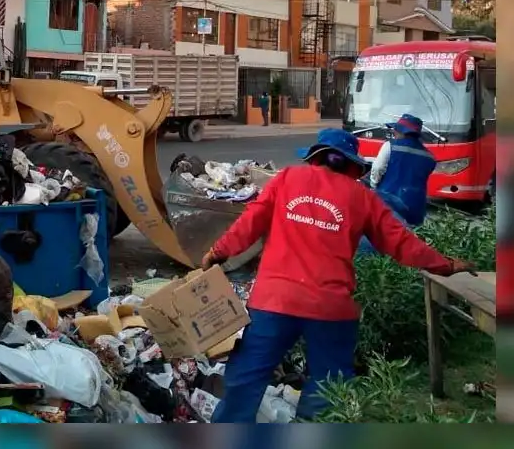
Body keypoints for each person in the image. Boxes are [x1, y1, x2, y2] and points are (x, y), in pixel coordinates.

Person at [201, 128, 473, 423]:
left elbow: (250, 223)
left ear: (316, 156)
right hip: (330, 308)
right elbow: (401, 242)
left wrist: (218, 252)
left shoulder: (287, 179)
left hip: (273, 302)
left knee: (246, 377)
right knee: (328, 385)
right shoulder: (362, 197)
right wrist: (444, 264)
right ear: (351, 164)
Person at [369, 113, 437, 227]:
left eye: (395, 130)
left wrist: (373, 185)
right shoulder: (430, 157)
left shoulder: (389, 146)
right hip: (416, 208)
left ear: (402, 132)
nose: (394, 133)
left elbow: (377, 168)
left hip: (389, 202)